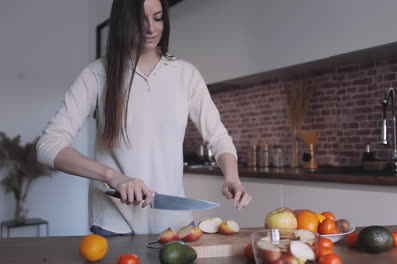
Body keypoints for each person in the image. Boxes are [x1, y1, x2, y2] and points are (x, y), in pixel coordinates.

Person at [37, 0, 252, 236]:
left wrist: (232, 177)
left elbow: (219, 137)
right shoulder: (96, 75)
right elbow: (49, 146)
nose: (151, 28)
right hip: (114, 225)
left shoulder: (186, 74)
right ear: (123, 22)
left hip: (176, 224)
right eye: (140, 20)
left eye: (158, 17)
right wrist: (113, 177)